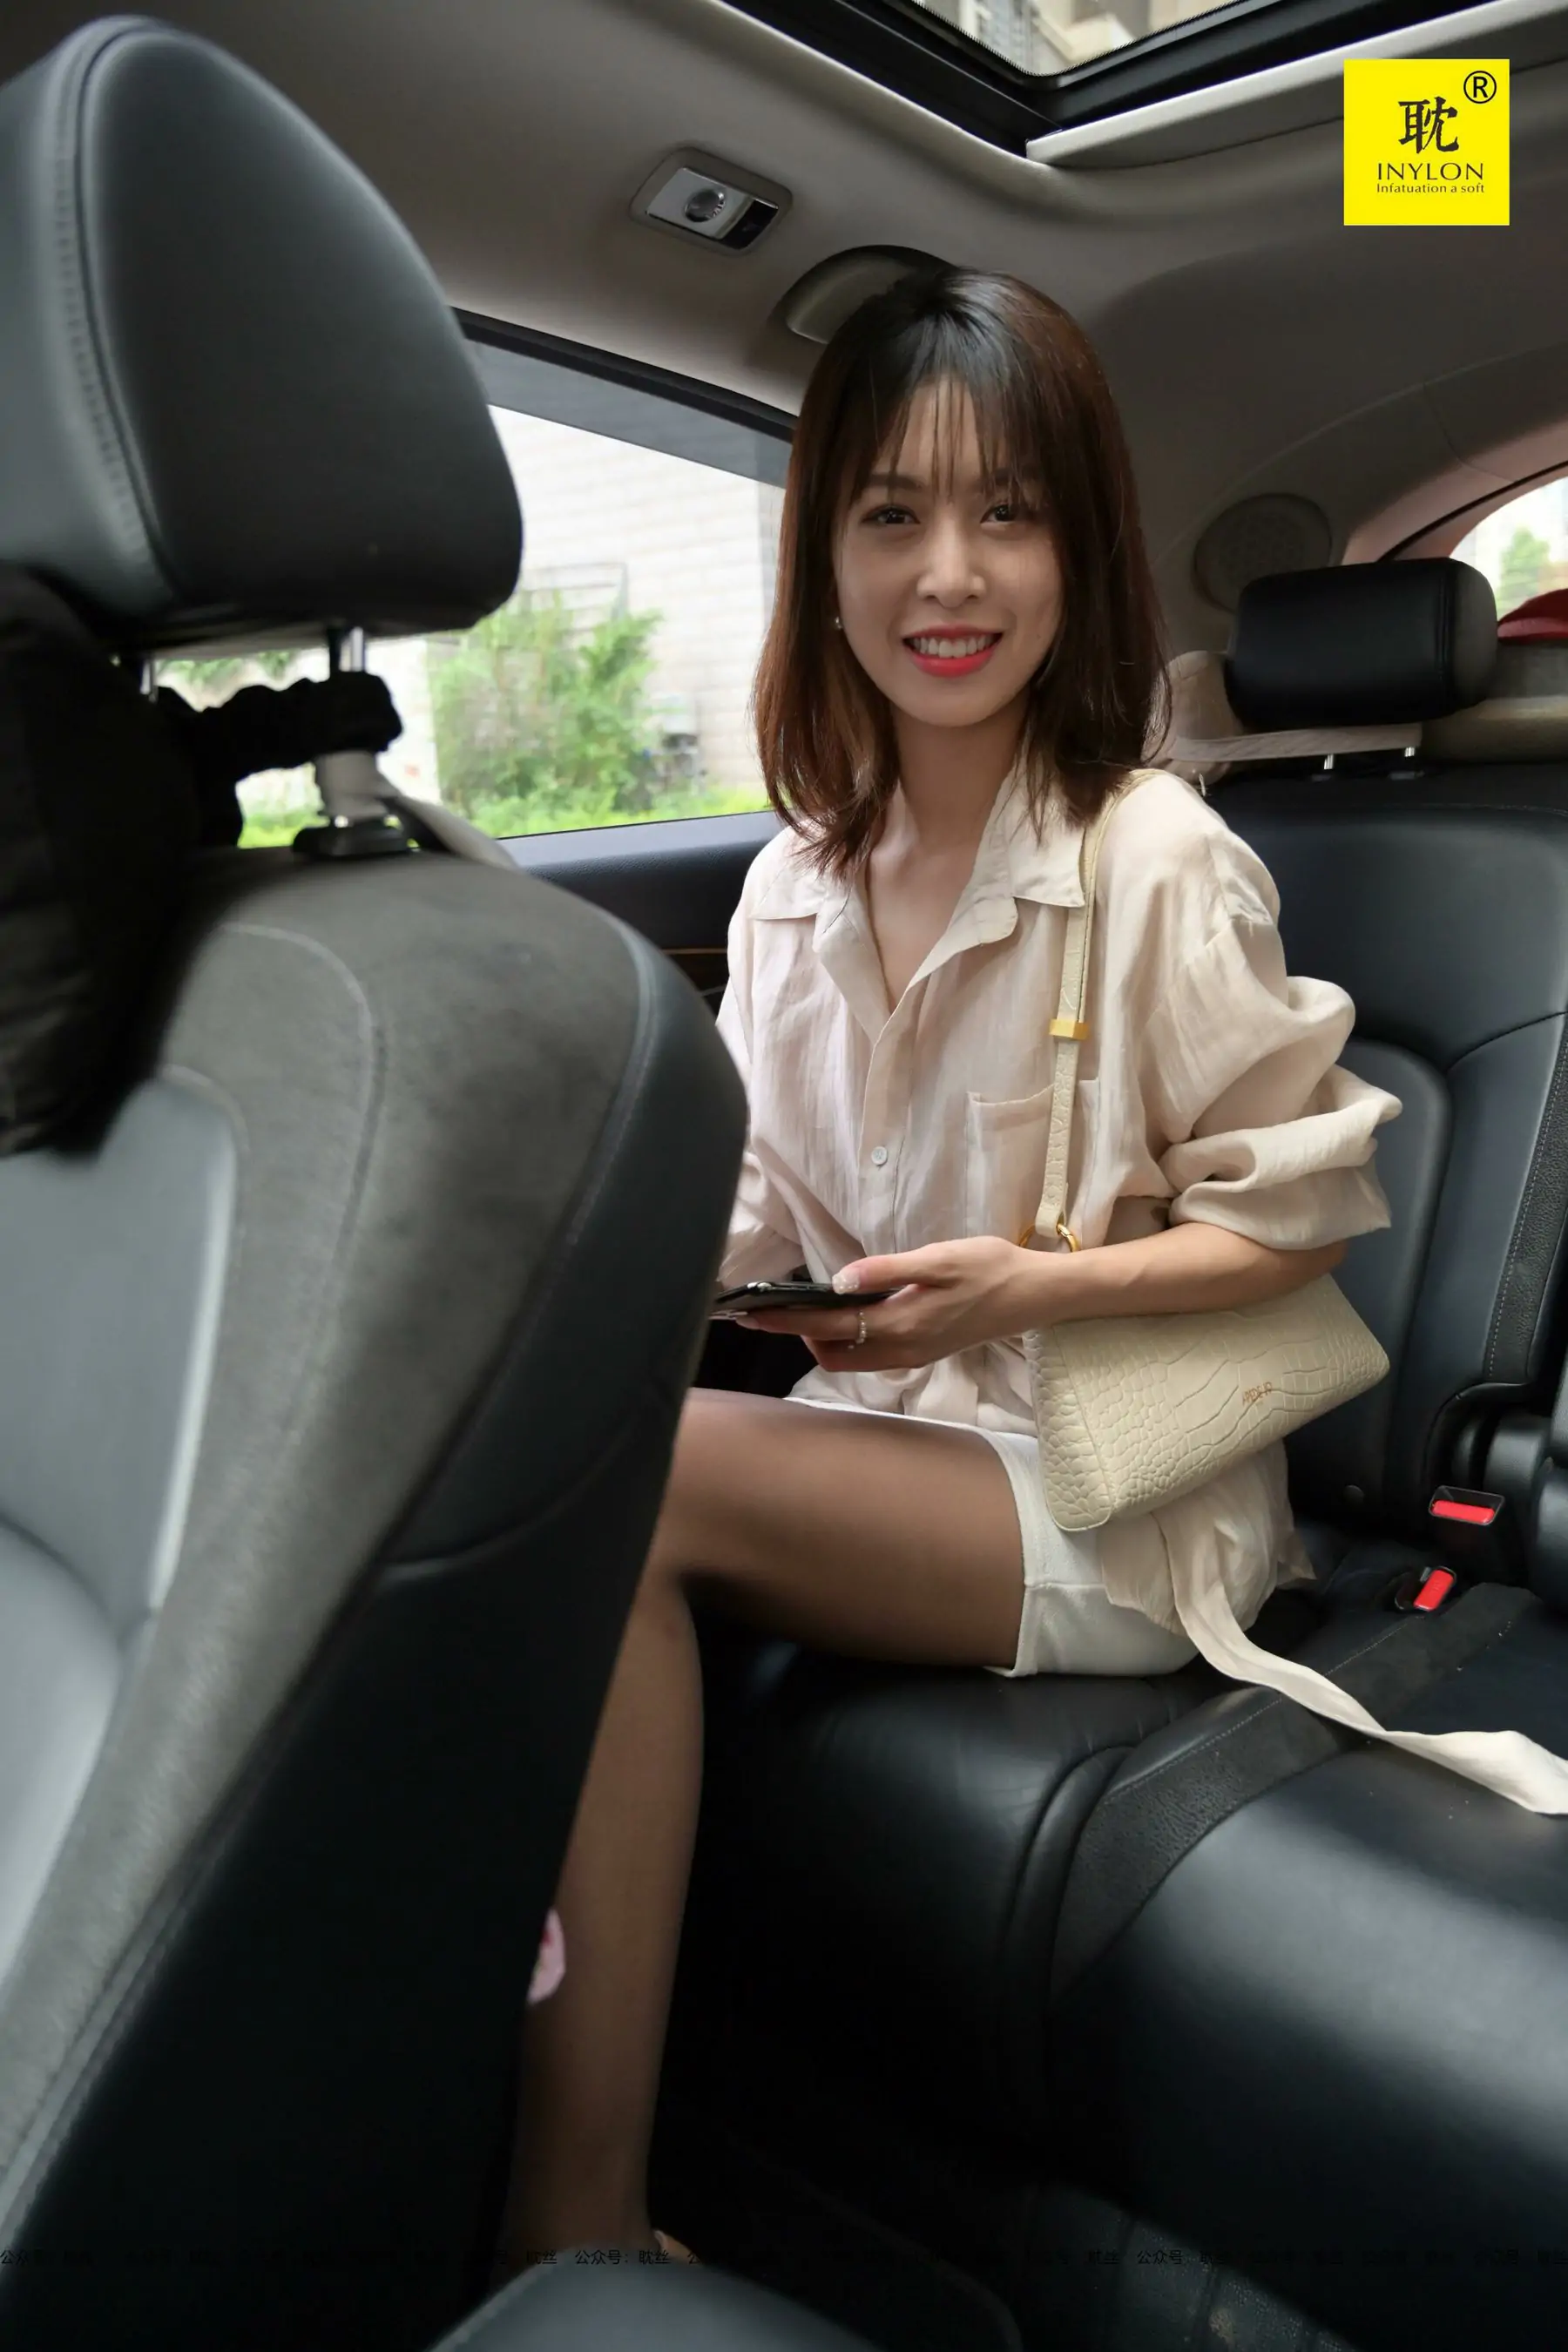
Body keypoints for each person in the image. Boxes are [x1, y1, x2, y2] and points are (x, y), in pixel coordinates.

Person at [494, 267, 1398, 2274]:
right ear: (825, 559)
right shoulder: (792, 882)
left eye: (1009, 512)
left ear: (1081, 554)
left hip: (1114, 1489)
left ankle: (574, 2234)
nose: (950, 573)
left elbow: (1300, 1222)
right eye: (892, 514)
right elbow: (744, 1211)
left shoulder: (1159, 856)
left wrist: (1031, 1292)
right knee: (528, 1444)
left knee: (639, 1485)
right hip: (892, 1438)